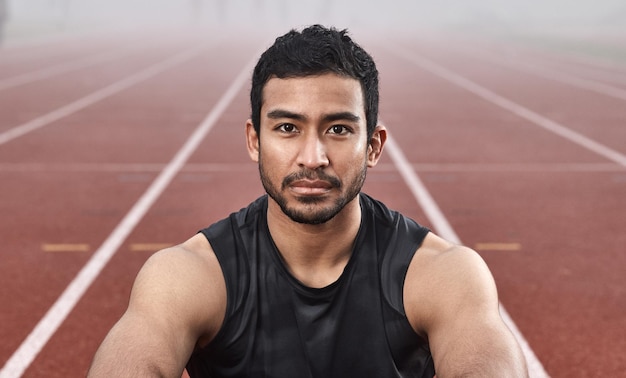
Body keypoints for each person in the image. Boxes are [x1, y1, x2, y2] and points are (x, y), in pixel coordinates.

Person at [88, 25, 529, 377]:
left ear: (373, 146)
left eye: (338, 129)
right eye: (287, 128)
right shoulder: (190, 276)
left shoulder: (441, 275)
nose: (313, 158)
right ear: (254, 140)